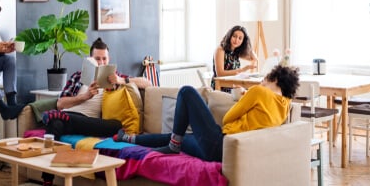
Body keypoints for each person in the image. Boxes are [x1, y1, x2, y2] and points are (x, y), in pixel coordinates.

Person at [114, 65, 300, 162]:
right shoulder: (285, 107)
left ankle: (171, 145)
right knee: (179, 139)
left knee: (186, 92)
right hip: (224, 154)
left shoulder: (259, 92)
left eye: (264, 80)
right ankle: (129, 139)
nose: (261, 83)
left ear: (273, 79)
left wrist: (247, 96)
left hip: (220, 143)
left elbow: (227, 118)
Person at [41, 37, 152, 186]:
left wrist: (120, 81)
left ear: (109, 59)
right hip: (70, 116)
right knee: (55, 123)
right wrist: (85, 96)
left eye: (104, 59)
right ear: (90, 60)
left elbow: (147, 82)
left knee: (116, 125)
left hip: (92, 123)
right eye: (97, 59)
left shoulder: (115, 78)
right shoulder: (78, 77)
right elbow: (61, 103)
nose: (101, 63)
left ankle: (59, 118)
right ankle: (48, 181)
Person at [212, 25, 257, 91]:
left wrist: (247, 45)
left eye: (240, 38)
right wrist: (243, 69)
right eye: (234, 36)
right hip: (221, 87)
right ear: (229, 36)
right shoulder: (220, 50)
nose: (236, 40)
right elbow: (220, 73)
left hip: (233, 86)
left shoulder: (235, 52)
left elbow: (254, 58)